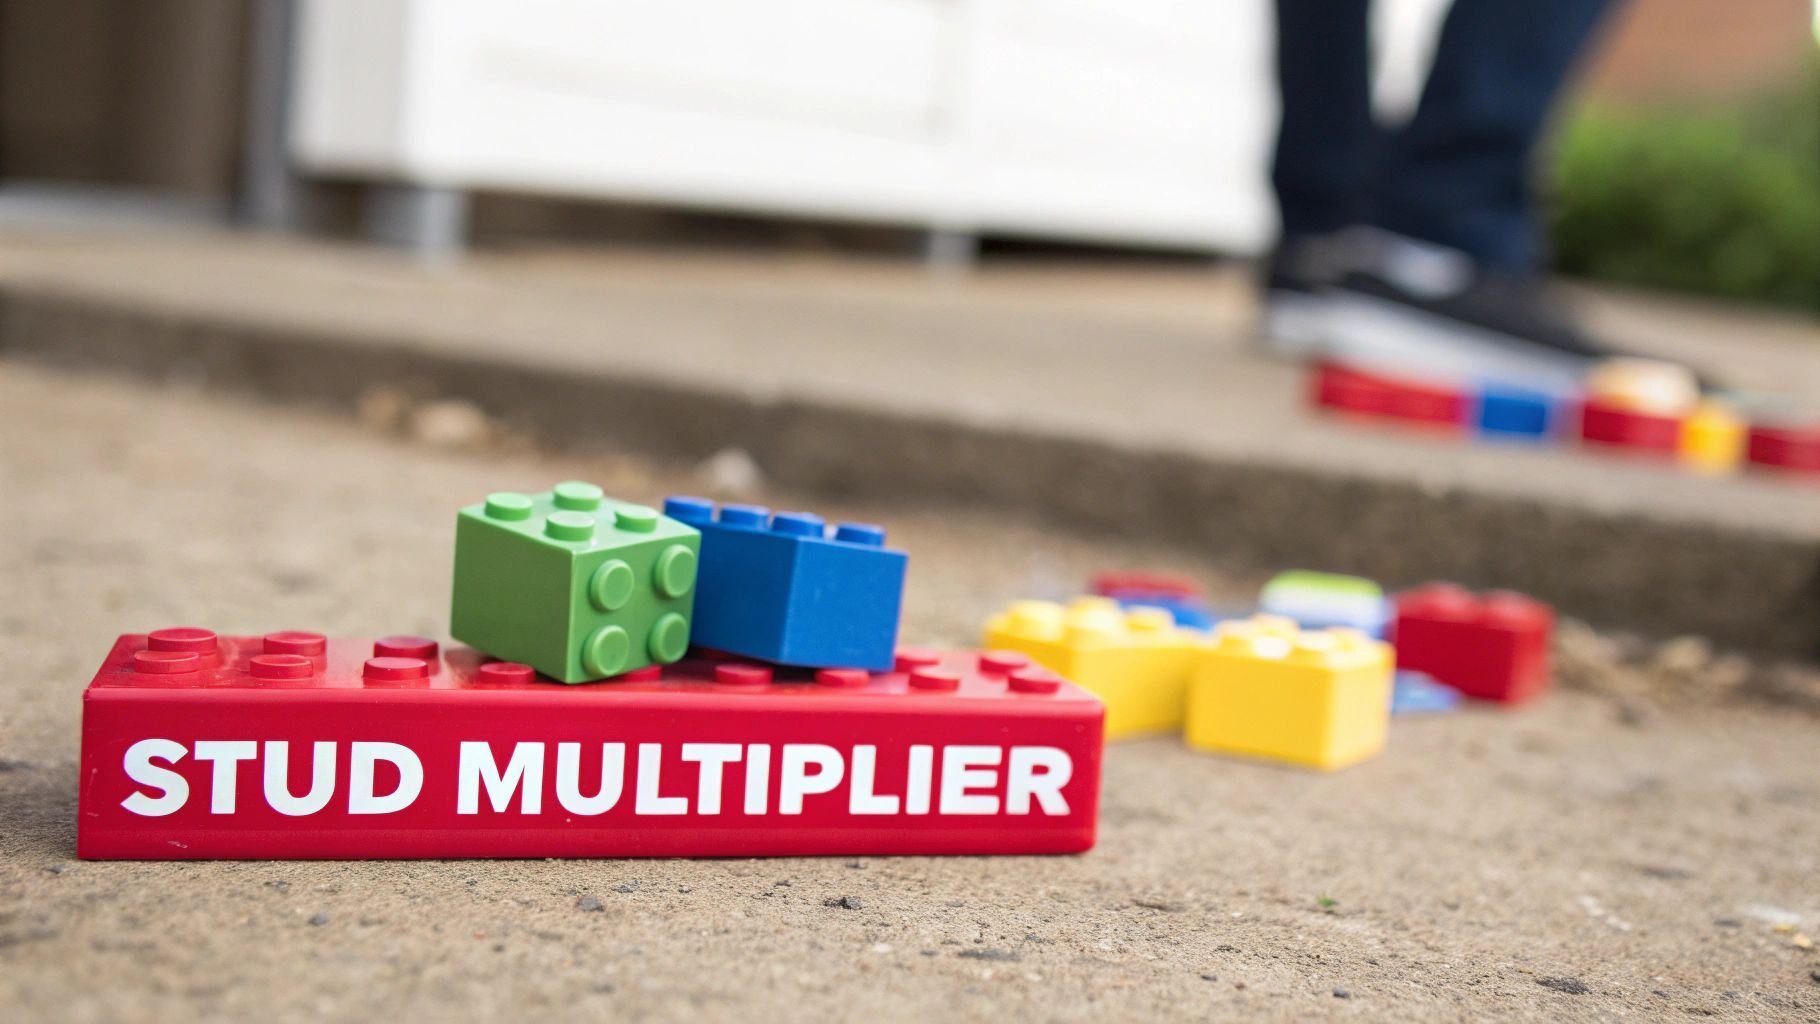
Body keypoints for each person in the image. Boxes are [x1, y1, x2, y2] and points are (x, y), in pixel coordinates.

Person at [1262, 0, 1621, 390]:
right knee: (1441, 224)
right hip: (1438, 245)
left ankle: (1320, 243)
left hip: (1313, 230)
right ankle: (1441, 245)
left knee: (1321, 229)